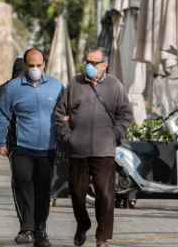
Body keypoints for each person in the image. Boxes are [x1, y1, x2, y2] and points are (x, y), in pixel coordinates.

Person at [56, 47, 133, 247]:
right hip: (77, 150)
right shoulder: (75, 83)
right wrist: (67, 136)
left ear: (104, 65)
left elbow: (125, 115)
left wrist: (114, 134)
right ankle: (83, 225)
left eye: (94, 62)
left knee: (105, 195)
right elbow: (59, 113)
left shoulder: (115, 86)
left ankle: (103, 236)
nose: (89, 66)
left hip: (103, 150)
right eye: (87, 62)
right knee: (77, 194)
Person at [0, 48, 64, 247]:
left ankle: (40, 230)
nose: (35, 69)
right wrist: (1, 142)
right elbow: (2, 114)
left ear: (44, 65)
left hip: (48, 149)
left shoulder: (57, 87)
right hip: (22, 148)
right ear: (25, 66)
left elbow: (65, 113)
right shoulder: (13, 88)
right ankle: (26, 229)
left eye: (39, 65)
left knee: (43, 191)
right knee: (23, 184)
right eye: (31, 65)